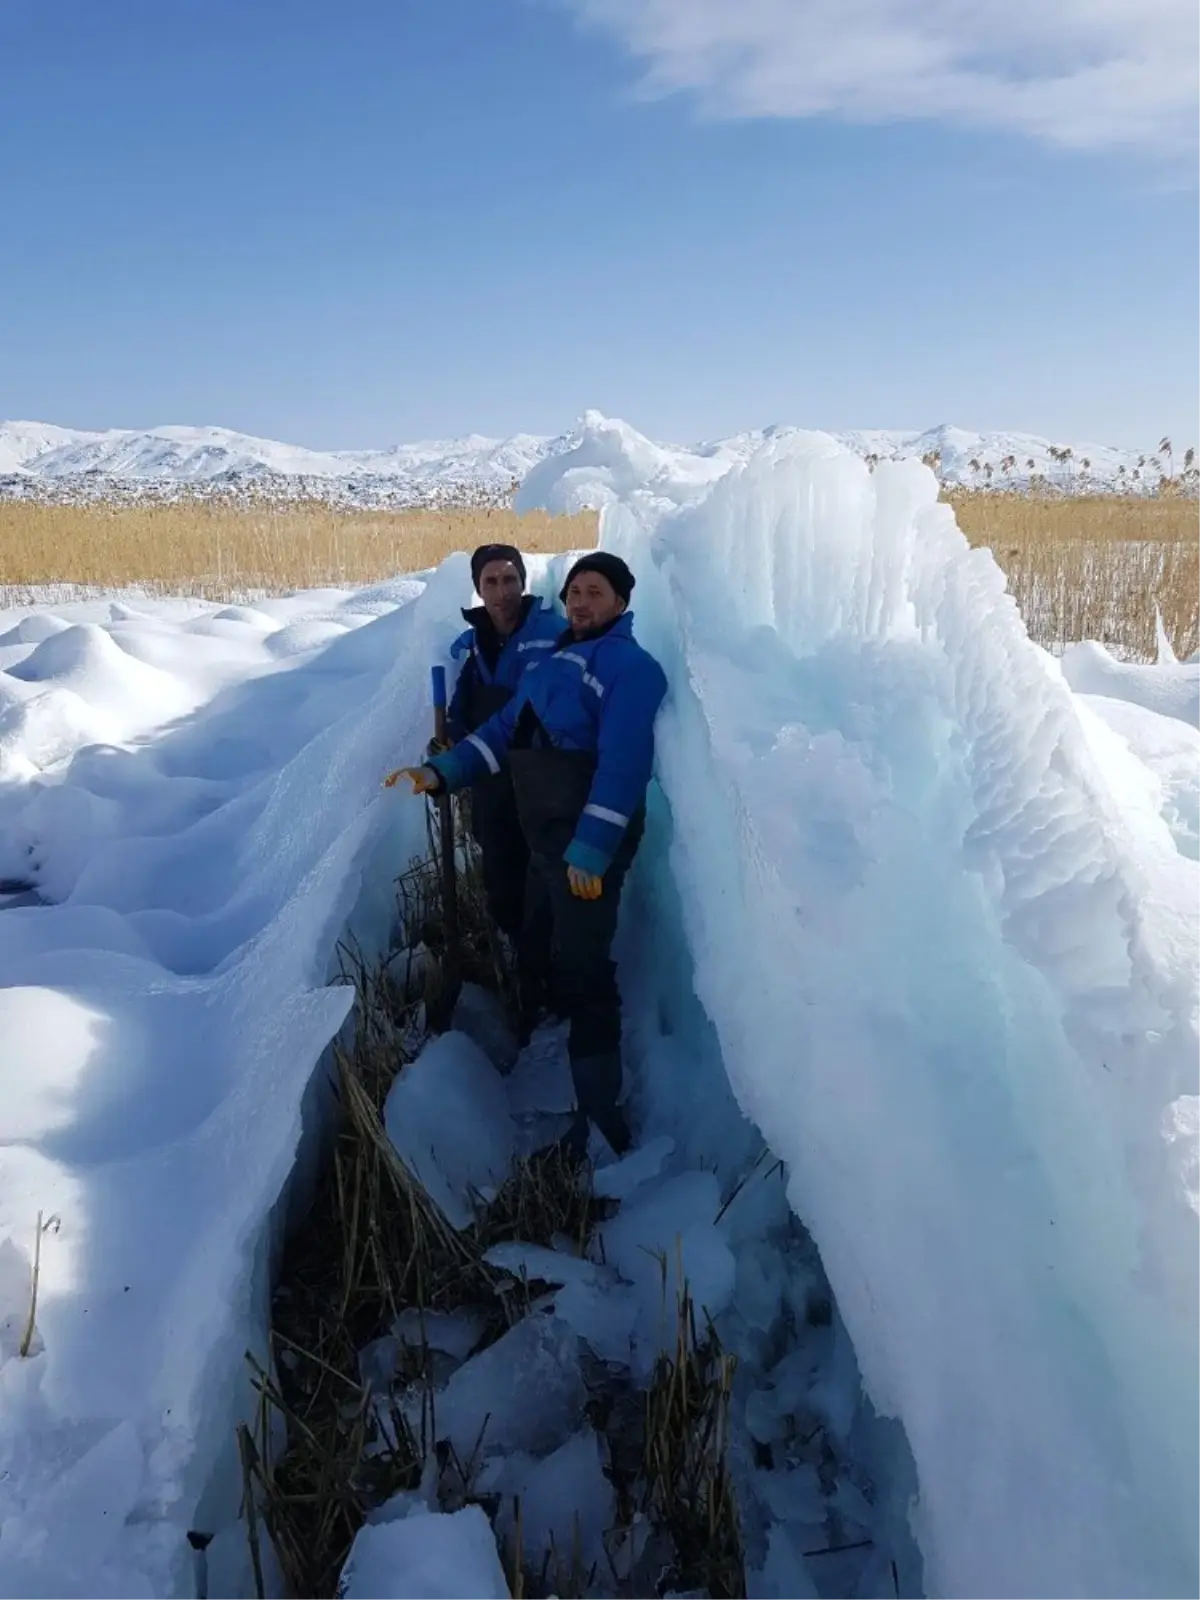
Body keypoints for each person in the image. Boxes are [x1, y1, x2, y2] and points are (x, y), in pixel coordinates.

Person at [386, 551, 667, 1158]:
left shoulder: (631, 667)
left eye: (595, 592)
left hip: (585, 840)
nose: (581, 603)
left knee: (589, 972)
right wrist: (438, 773)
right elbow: (495, 737)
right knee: (548, 942)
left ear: (620, 603)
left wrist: (593, 851)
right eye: (574, 593)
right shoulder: (554, 664)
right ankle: (552, 1044)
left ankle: (602, 1119)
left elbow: (623, 764)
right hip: (548, 834)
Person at [440, 543, 561, 946]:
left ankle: (544, 967)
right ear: (478, 588)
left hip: (537, 773)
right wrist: (451, 740)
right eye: (490, 582)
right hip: (492, 776)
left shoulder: (548, 633)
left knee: (539, 871)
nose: (502, 591)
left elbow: (532, 708)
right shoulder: (478, 641)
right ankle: (516, 955)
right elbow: (464, 698)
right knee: (499, 864)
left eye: (510, 579)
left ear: (524, 583)